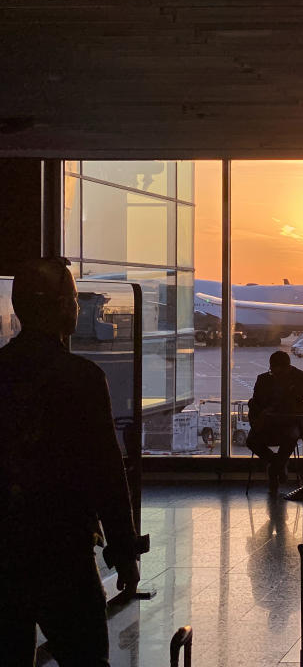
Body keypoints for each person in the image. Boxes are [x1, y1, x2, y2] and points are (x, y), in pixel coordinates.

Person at [0, 257, 141, 666]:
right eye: (76, 299)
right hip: (62, 552)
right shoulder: (81, 378)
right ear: (64, 308)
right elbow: (107, 475)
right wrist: (124, 549)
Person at [246, 350, 303, 491]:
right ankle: (279, 465)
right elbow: (257, 401)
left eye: (279, 372)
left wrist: (270, 409)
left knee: (290, 436)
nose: (275, 374)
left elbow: (296, 399)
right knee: (252, 441)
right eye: (273, 371)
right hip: (273, 422)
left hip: (288, 421)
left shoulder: (300, 377)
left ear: (288, 368)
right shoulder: (263, 379)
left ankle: (275, 467)